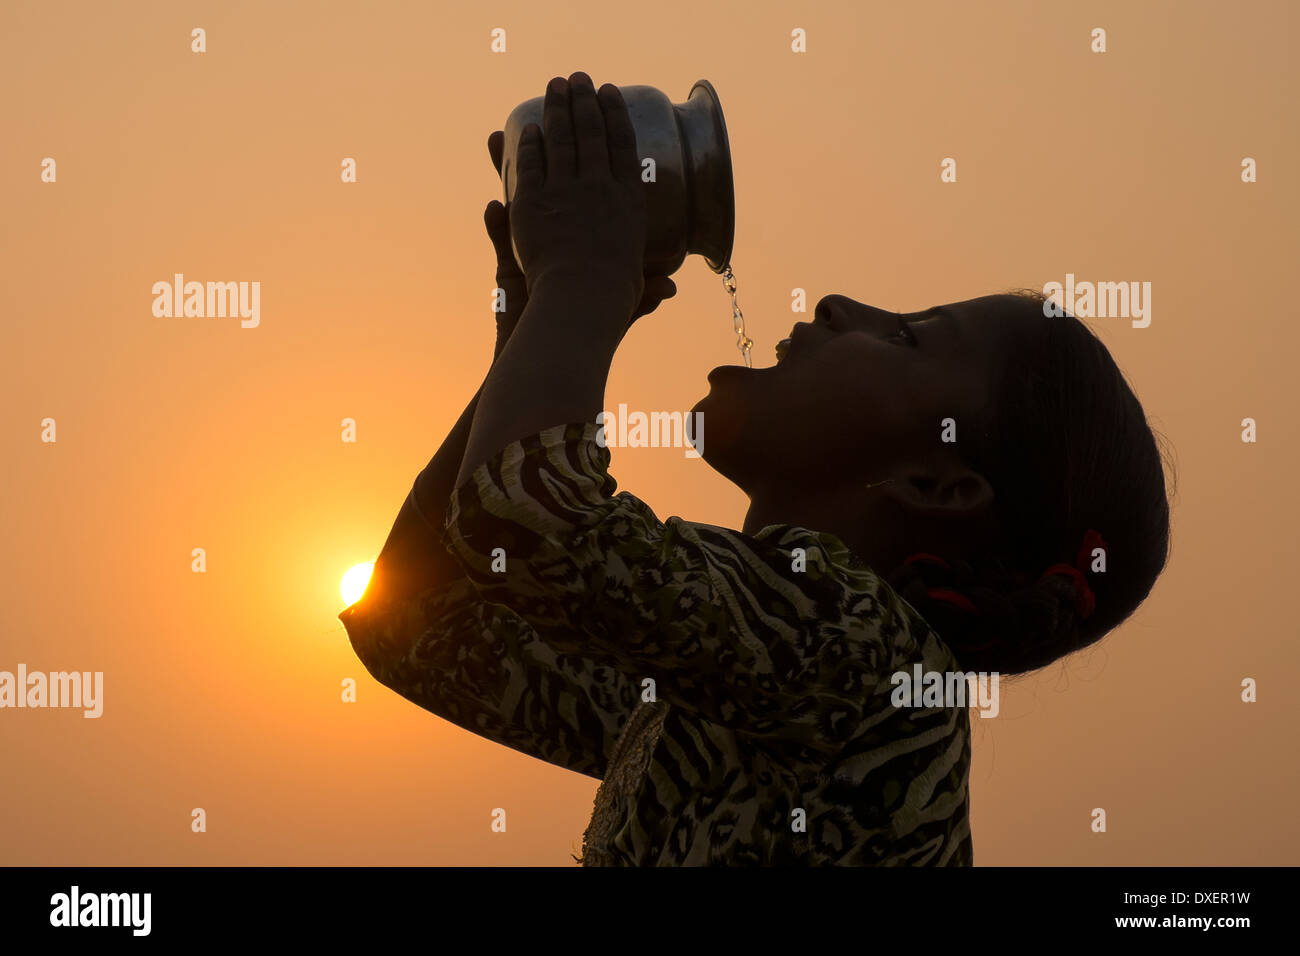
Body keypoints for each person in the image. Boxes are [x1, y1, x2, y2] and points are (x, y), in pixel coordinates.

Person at [338, 72, 1172, 866]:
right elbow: (417, 622)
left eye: (909, 334)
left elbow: (524, 518)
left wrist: (581, 284)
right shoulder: (726, 690)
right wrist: (528, 335)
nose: (845, 305)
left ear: (938, 488)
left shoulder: (864, 659)